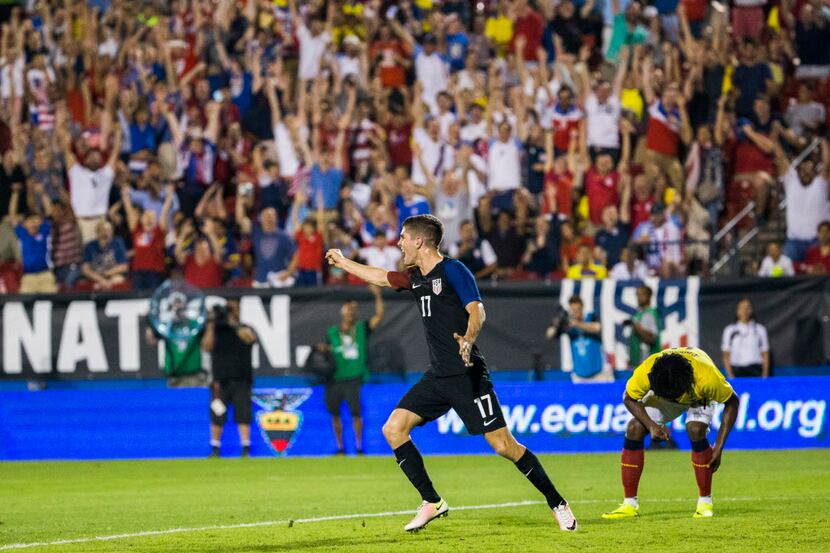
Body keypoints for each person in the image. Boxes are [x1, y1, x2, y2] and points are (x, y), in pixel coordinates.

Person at [325, 214, 577, 532]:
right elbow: (379, 277)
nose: (398, 242)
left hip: (468, 374)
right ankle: (432, 501)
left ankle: (558, 503)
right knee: (394, 429)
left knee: (504, 446)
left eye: (403, 237)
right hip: (438, 376)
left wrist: (469, 339)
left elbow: (477, 310)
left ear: (419, 241)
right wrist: (344, 262)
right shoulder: (415, 277)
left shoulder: (454, 270)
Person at [602, 347, 740, 519]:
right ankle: (629, 504)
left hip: (696, 394)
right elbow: (629, 398)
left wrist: (719, 447)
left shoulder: (707, 379)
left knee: (695, 429)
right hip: (667, 387)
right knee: (634, 428)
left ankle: (705, 503)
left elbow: (732, 402)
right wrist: (651, 425)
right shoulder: (646, 372)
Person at [321, 286, 384, 455]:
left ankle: (359, 446)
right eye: (349, 308)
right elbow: (327, 351)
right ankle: (340, 447)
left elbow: (378, 316)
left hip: (353, 376)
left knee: (356, 413)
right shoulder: (332, 332)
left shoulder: (362, 328)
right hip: (335, 377)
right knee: (335, 414)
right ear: (343, 311)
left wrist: (377, 295)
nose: (351, 312)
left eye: (354, 309)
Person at [201, 299, 258, 457]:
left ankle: (246, 447)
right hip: (220, 381)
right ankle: (215, 448)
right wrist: (211, 324)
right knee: (217, 413)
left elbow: (249, 339)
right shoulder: (216, 330)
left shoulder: (245, 328)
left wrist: (234, 323)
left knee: (243, 414)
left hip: (241, 379)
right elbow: (206, 346)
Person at [546, 295, 609, 383]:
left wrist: (577, 324)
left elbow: (597, 328)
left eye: (578, 309)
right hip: (579, 375)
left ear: (582, 307)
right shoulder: (569, 327)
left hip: (598, 373)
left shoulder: (591, 317)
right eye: (573, 310)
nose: (576, 312)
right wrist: (558, 320)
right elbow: (549, 334)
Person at [721, 298, 770, 378]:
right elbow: (726, 355)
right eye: (742, 308)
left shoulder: (760, 330)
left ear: (751, 310)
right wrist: (731, 376)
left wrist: (764, 376)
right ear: (737, 311)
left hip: (755, 370)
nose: (745, 311)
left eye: (747, 308)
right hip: (737, 370)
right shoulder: (729, 330)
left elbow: (765, 353)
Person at [627, 285, 661, 367]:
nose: (638, 297)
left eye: (641, 294)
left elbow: (651, 339)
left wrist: (636, 326)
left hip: (647, 361)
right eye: (637, 295)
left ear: (649, 296)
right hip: (639, 360)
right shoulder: (640, 313)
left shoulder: (649, 314)